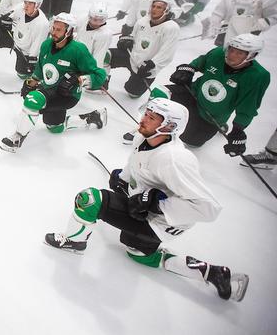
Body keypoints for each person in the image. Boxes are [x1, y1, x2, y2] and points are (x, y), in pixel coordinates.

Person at [44, 98, 249, 303]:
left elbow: (208, 208)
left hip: (160, 222)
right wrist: (123, 179)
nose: (144, 119)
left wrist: (156, 204)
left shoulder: (175, 159)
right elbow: (137, 163)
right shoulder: (144, 138)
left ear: (169, 126)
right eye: (146, 114)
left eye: (152, 118)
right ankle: (213, 273)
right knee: (138, 253)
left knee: (89, 199)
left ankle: (74, 241)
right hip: (143, 210)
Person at [142, 34, 270, 154]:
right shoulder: (219, 53)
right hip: (192, 95)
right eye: (231, 50)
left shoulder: (258, 76)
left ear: (252, 55)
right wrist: (187, 70)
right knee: (160, 92)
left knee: (191, 142)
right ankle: (149, 125)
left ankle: (219, 125)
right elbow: (199, 63)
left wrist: (238, 129)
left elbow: (248, 106)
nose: (232, 55)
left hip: (210, 115)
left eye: (239, 53)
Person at [0, 12, 107, 153]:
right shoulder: (46, 45)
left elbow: (100, 75)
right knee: (54, 127)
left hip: (68, 95)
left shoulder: (78, 50)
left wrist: (79, 80)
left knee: (34, 101)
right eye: (53, 28)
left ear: (68, 32)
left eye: (58, 30)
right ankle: (92, 117)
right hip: (49, 89)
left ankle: (17, 137)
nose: (53, 32)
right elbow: (40, 68)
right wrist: (31, 81)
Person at [109, 0, 180, 98]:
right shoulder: (142, 21)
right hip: (132, 57)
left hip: (146, 68)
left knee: (132, 93)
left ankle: (135, 85)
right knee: (107, 55)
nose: (154, 9)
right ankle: (102, 81)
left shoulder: (171, 28)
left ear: (166, 10)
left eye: (159, 7)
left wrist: (152, 65)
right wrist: (125, 41)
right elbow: (132, 36)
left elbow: (167, 53)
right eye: (153, 6)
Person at [202, 0, 276, 47]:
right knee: (220, 53)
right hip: (226, 31)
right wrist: (213, 26)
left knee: (239, 56)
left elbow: (274, 17)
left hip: (249, 34)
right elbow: (218, 13)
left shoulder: (267, 0)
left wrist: (263, 23)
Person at [74, 2, 112, 90]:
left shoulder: (105, 34)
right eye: (95, 19)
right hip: (76, 49)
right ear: (89, 16)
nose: (97, 23)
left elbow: (99, 55)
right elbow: (71, 28)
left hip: (87, 58)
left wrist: (95, 76)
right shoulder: (83, 19)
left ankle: (104, 78)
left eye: (101, 20)